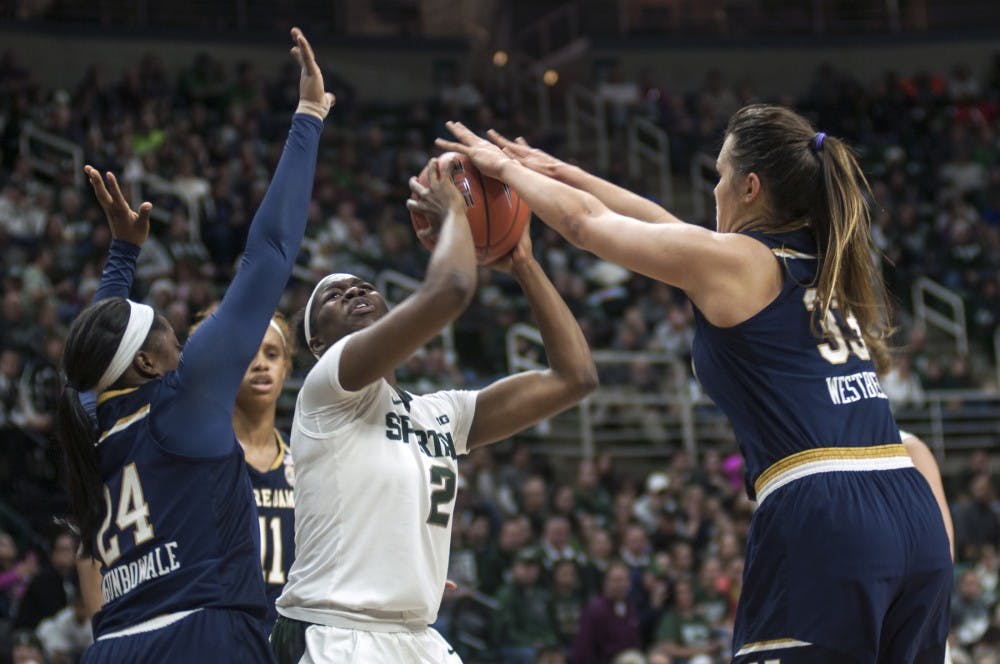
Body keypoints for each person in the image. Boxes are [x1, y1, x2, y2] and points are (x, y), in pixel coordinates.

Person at [438, 105, 953, 663]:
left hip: (828, 512)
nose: (714, 191)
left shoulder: (740, 263)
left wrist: (505, 170)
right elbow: (665, 227)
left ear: (750, 187)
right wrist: (558, 172)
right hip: (909, 509)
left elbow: (588, 225)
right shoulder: (822, 259)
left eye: (720, 175)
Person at [54, 28, 332, 662]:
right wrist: (308, 118)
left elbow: (89, 363)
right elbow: (267, 256)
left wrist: (123, 255)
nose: (183, 336)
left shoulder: (90, 422)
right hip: (201, 634)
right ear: (148, 363)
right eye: (170, 333)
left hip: (115, 645)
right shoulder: (181, 401)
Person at [270, 155, 597, 662]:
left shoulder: (440, 413)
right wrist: (457, 219)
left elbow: (574, 378)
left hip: (417, 635)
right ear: (317, 343)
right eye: (334, 296)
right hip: (334, 631)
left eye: (363, 286)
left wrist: (522, 263)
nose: (354, 291)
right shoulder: (326, 388)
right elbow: (451, 288)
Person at [190, 306, 297, 633]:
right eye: (248, 353)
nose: (261, 363)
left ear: (286, 368)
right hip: (215, 638)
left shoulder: (306, 463)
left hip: (289, 643)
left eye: (272, 354)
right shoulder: (199, 457)